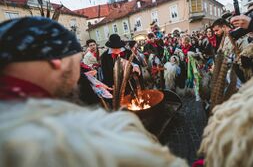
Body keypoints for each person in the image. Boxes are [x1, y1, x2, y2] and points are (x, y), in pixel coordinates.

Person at [0, 17, 188, 167]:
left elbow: (133, 67)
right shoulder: (88, 133)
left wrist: (133, 69)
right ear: (56, 60)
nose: (80, 72)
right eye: (77, 62)